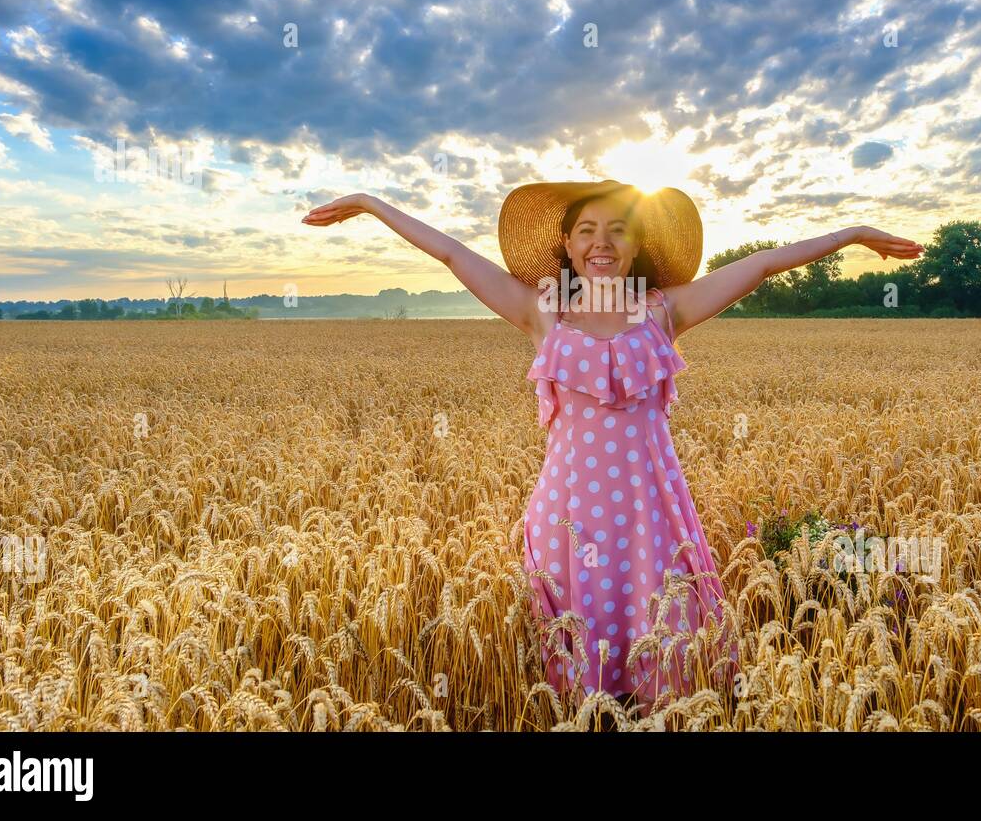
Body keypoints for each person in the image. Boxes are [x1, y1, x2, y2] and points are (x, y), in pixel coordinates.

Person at [302, 179, 923, 718]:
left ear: (634, 246)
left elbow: (761, 264)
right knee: (581, 673)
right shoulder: (542, 312)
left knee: (669, 665)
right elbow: (447, 252)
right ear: (568, 246)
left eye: (617, 230)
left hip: (652, 515)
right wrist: (369, 203)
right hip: (569, 520)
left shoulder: (664, 311)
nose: (601, 242)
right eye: (587, 231)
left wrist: (850, 235)